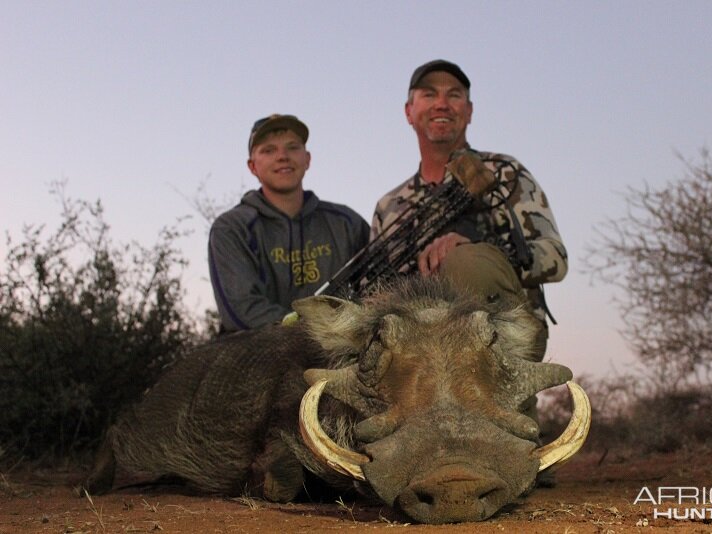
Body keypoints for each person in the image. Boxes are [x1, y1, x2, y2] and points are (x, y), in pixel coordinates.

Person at [372, 60, 568, 361]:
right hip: (419, 351)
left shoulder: (504, 172)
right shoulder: (389, 205)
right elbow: (372, 294)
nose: (441, 104)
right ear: (409, 112)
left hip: (503, 336)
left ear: (470, 111)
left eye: (454, 94)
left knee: (465, 261)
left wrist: (477, 250)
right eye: (428, 95)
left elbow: (555, 256)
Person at [209, 114, 370, 333]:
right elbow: (242, 311)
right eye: (268, 150)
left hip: (342, 359)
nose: (282, 156)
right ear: (252, 166)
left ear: (308, 159)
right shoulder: (231, 228)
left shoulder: (348, 223)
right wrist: (320, 331)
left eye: (292, 147)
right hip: (260, 357)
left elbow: (379, 290)